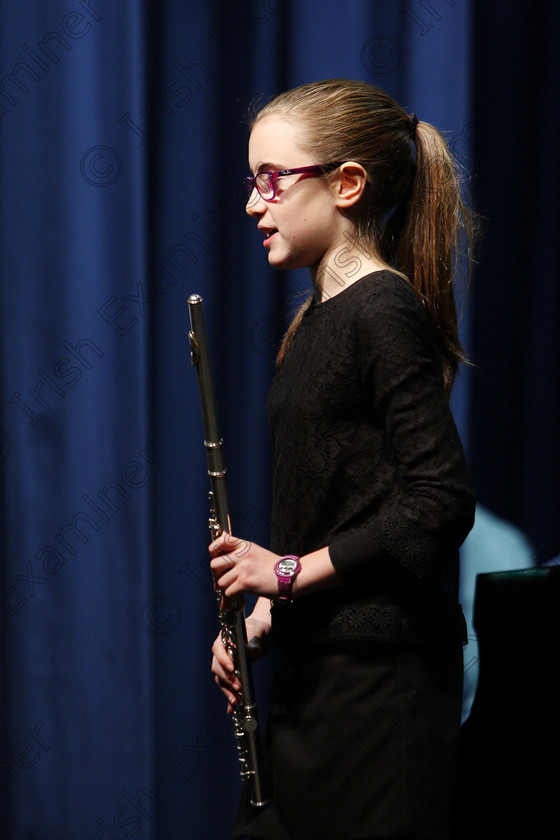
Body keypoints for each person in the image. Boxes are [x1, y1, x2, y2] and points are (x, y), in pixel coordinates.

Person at [209, 79, 476, 840]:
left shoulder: (382, 309)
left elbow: (438, 500)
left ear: (347, 183)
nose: (255, 204)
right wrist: (262, 614)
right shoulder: (316, 319)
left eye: (271, 180)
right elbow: (341, 500)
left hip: (377, 682)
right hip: (315, 670)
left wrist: (286, 574)